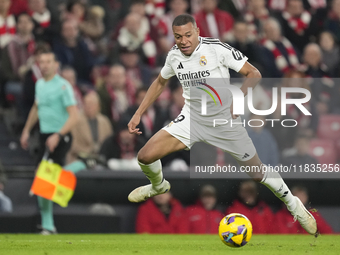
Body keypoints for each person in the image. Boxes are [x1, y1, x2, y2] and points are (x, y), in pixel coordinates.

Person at [127, 14, 318, 236]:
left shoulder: (216, 48)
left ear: (197, 31)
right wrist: (139, 112)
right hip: (192, 119)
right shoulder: (173, 56)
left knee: (257, 174)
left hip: (224, 122)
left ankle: (295, 205)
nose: (184, 41)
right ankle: (159, 186)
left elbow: (253, 74)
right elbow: (160, 82)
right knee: (145, 156)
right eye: (179, 37)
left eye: (188, 35)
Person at [19, 51, 87, 234]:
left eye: (48, 61)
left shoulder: (63, 86)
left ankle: (48, 225)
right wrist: (26, 130)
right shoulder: (40, 84)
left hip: (60, 135)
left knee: (44, 178)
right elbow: (36, 107)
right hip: (44, 135)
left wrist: (58, 134)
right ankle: (80, 166)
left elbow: (75, 116)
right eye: (41, 62)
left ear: (56, 65)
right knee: (44, 178)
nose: (44, 65)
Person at [66, 91, 113, 164]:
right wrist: (90, 151)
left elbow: (110, 141)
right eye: (86, 104)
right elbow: (72, 144)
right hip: (79, 159)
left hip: (101, 159)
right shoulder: (75, 121)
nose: (88, 107)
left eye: (91, 104)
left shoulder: (105, 122)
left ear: (98, 106)